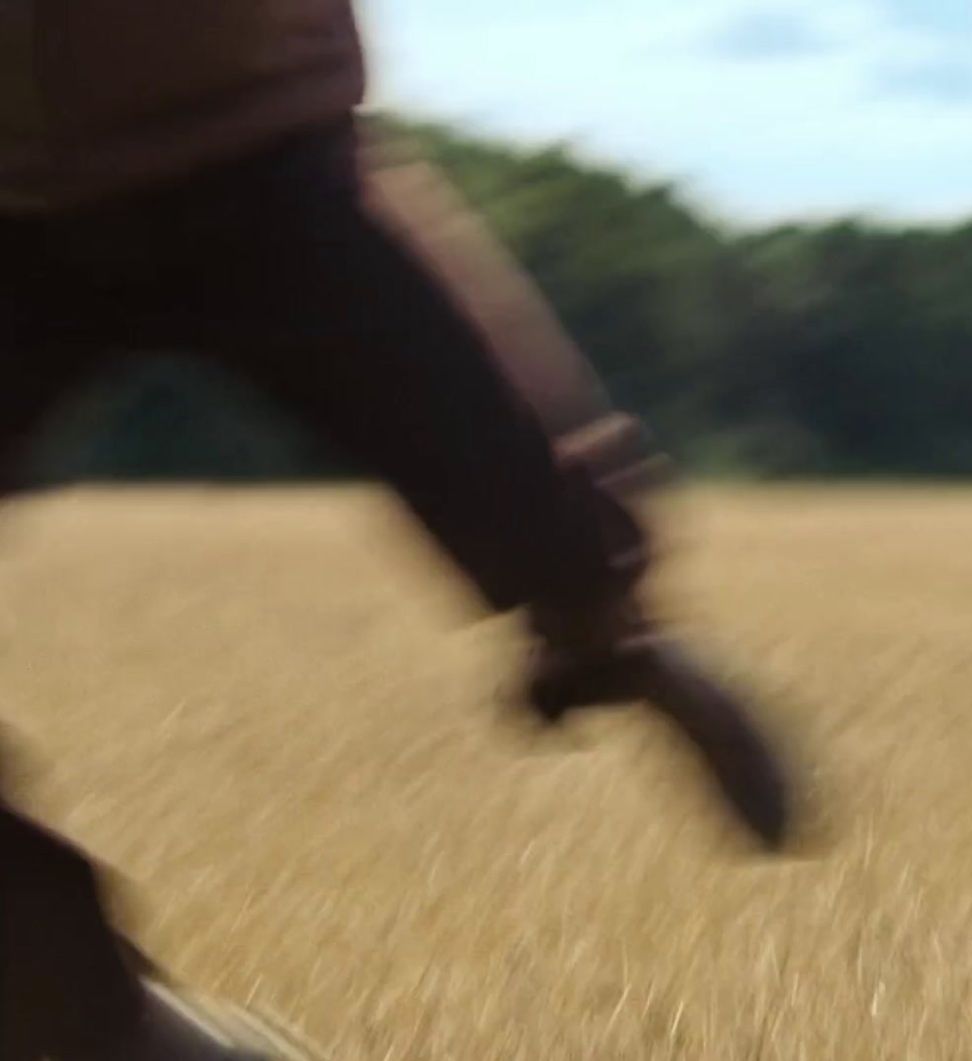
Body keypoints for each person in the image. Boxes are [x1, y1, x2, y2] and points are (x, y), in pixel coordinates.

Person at [0, 4, 791, 1058]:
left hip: (246, 139)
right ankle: (98, 1019)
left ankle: (606, 630)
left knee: (464, 420)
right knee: (449, 401)